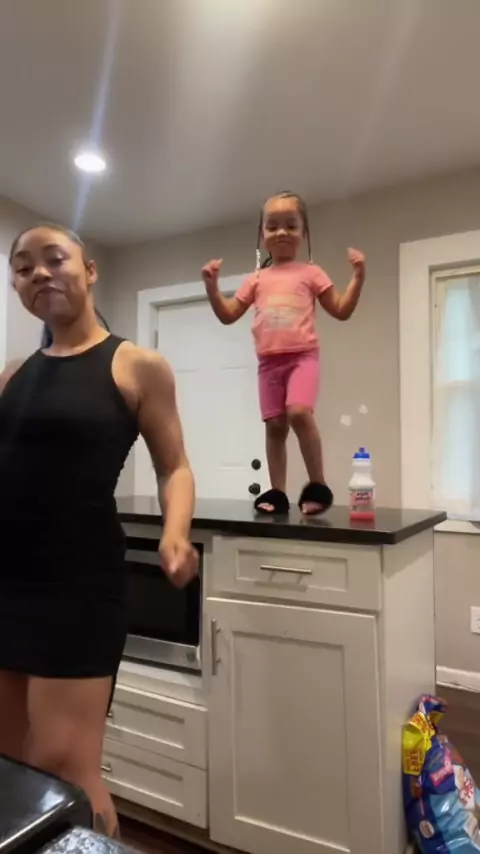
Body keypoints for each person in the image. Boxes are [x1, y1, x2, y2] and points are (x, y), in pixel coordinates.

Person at [0, 223, 198, 838]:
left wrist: (175, 532)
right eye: (23, 266)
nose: (39, 272)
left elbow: (175, 467)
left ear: (89, 271)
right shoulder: (11, 375)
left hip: (77, 587)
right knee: (11, 766)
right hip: (6, 581)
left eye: (54, 258)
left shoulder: (136, 366)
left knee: (65, 765)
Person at [202, 190, 366, 515]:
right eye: (272, 226)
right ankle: (277, 493)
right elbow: (228, 314)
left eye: (291, 225)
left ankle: (317, 486)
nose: (281, 232)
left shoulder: (311, 273)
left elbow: (341, 310)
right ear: (262, 235)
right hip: (268, 363)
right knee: (275, 426)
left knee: (299, 413)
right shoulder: (257, 279)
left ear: (304, 234)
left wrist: (358, 278)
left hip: (303, 356)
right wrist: (211, 287)